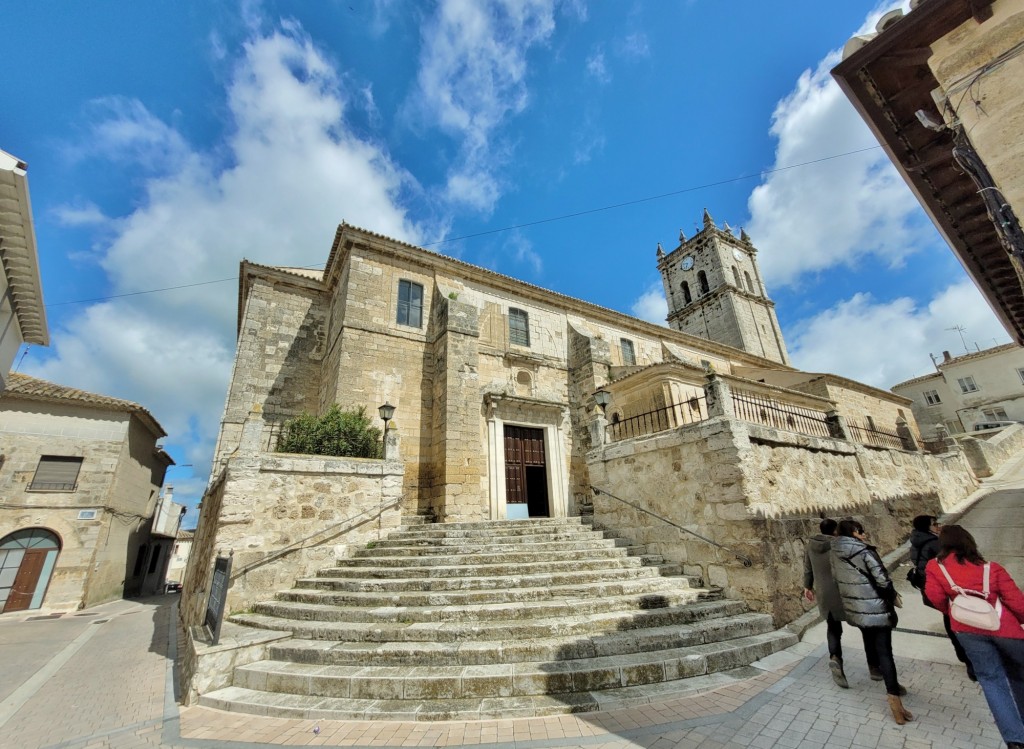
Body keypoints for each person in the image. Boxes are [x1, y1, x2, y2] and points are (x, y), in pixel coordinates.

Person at [924, 525, 1024, 749]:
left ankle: (1015, 739)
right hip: (1005, 629)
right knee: (1019, 675)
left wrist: (952, 612)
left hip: (967, 630)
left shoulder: (935, 567)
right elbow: (1017, 601)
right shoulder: (991, 569)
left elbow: (934, 596)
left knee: (991, 681)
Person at [831, 519, 912, 724]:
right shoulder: (863, 551)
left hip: (856, 608)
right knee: (885, 651)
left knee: (868, 638)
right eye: (861, 531)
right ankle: (893, 696)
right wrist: (890, 595)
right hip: (875, 606)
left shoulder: (835, 552)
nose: (864, 534)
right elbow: (882, 579)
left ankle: (874, 670)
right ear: (855, 532)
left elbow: (838, 579)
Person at [804, 518, 880, 688]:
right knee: (867, 629)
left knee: (833, 629)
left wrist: (807, 586)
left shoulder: (810, 545)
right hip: (846, 592)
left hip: (825, 594)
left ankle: (835, 658)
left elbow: (807, 568)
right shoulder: (840, 545)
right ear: (835, 531)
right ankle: (874, 667)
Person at [908, 514, 975, 680]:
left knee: (948, 619)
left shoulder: (915, 542)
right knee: (960, 622)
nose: (938, 526)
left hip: (931, 587)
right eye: (934, 524)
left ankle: (962, 654)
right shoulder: (934, 543)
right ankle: (970, 660)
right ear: (927, 527)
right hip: (946, 587)